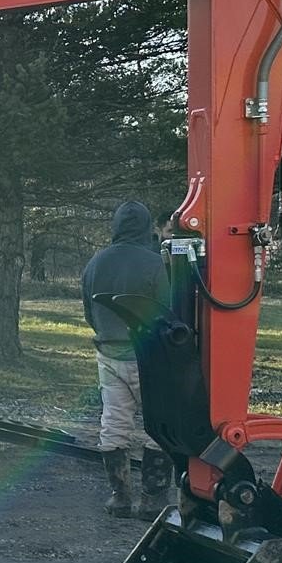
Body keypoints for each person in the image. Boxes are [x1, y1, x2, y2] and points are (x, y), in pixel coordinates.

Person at [81, 200, 170, 519]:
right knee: (159, 426)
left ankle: (120, 497)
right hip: (149, 357)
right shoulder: (156, 263)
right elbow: (167, 311)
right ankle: (152, 501)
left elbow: (89, 312)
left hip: (108, 353)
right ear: (146, 227)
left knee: (114, 423)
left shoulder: (95, 263)